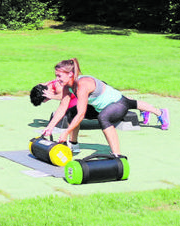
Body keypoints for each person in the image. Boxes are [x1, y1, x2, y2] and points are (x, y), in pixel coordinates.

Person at [39, 59, 171, 156]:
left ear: (70, 74)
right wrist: (50, 127)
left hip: (118, 104)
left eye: (59, 76)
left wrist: (66, 132)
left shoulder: (82, 85)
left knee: (105, 117)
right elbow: (62, 107)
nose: (56, 79)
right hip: (101, 106)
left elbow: (81, 114)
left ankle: (117, 156)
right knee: (70, 112)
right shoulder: (68, 86)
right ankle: (73, 145)